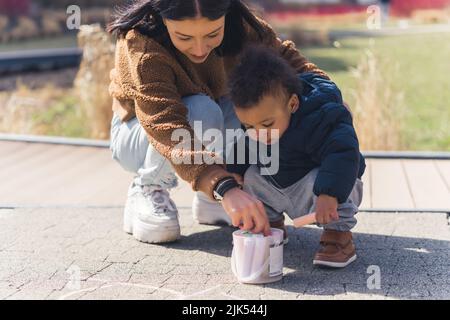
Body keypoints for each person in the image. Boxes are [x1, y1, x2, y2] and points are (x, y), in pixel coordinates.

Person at [107, 0, 330, 244]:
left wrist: (329, 99)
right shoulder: (142, 45)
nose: (200, 48)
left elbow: (289, 61)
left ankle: (208, 200)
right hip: (139, 134)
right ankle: (149, 187)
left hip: (204, 125)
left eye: (213, 34)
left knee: (246, 106)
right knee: (200, 110)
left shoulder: (243, 27)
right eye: (184, 37)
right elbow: (164, 122)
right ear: (162, 17)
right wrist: (221, 185)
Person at [226, 46, 365, 268]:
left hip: (317, 190)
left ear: (292, 104)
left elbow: (343, 152)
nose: (258, 133)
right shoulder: (257, 128)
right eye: (249, 125)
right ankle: (270, 224)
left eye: (267, 124)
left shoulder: (322, 116)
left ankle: (337, 237)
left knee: (335, 181)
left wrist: (329, 192)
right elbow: (244, 144)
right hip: (278, 183)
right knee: (252, 176)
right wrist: (235, 169)